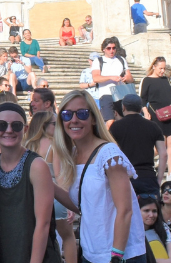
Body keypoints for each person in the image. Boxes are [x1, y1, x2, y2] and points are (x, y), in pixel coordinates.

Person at [51, 90, 146, 263]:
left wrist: (116, 255)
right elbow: (82, 205)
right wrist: (48, 185)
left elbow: (125, 210)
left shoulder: (108, 154)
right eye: (66, 114)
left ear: (94, 118)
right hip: (91, 252)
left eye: (82, 113)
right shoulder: (72, 155)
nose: (74, 120)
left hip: (120, 254)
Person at [0, 102, 61, 263]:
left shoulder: (36, 165)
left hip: (37, 256)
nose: (9, 130)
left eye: (16, 125)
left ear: (25, 129)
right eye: (1, 125)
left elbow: (43, 223)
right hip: (3, 253)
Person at [24, 111, 77, 263]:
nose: (58, 127)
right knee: (68, 237)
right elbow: (59, 175)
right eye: (55, 124)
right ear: (43, 126)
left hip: (33, 197)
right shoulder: (55, 145)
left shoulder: (26, 145)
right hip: (55, 196)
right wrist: (68, 203)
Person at [110, 94, 167, 196]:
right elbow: (163, 154)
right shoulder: (153, 126)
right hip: (148, 176)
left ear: (123, 107)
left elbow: (111, 154)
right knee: (150, 211)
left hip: (125, 176)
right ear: (141, 108)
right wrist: (159, 179)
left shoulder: (115, 127)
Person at [142, 57, 171, 179]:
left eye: (164, 68)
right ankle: (144, 160)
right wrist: (146, 112)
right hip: (156, 114)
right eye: (160, 68)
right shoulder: (147, 80)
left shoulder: (166, 79)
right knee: (160, 145)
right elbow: (143, 99)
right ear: (154, 67)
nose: (162, 71)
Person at [91, 36, 134, 126]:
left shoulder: (121, 60)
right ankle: (107, 139)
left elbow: (130, 78)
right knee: (110, 121)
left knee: (123, 120)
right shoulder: (98, 61)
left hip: (120, 93)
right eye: (109, 48)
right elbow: (96, 78)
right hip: (106, 94)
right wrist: (111, 77)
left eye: (114, 48)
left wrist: (126, 78)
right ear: (103, 49)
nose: (112, 50)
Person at [138, 194, 171, 263]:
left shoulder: (163, 227)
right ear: (137, 212)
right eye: (146, 211)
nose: (151, 215)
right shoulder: (130, 231)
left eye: (154, 211)